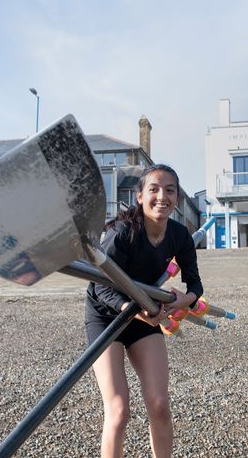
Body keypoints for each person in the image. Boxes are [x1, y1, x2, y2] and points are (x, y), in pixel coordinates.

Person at [85, 164, 203, 458]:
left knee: (160, 404)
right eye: (154, 189)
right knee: (119, 410)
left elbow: (195, 284)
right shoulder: (121, 232)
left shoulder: (179, 235)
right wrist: (131, 309)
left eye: (170, 190)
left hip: (144, 314)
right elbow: (100, 286)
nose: (162, 196)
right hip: (106, 316)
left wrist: (183, 300)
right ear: (140, 196)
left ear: (177, 198)